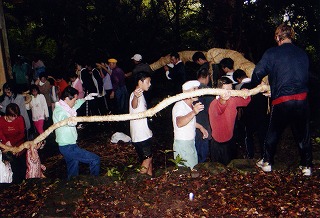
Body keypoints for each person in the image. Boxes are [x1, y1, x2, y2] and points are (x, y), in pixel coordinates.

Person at [251, 23, 312, 176]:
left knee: (273, 132)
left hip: (282, 100)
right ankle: (306, 166)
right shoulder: (302, 54)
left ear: (278, 37)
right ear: (291, 36)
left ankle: (267, 162)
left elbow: (258, 72)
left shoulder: (272, 53)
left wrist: (255, 86)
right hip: (301, 100)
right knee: (303, 134)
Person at [52, 86, 100, 180]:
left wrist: (85, 98)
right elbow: (63, 119)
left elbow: (76, 104)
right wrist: (70, 121)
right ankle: (95, 182)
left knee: (73, 165)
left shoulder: (66, 106)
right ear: (66, 98)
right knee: (95, 159)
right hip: (68, 147)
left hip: (69, 145)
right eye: (74, 99)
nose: (75, 102)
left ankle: (72, 185)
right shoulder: (59, 111)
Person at [208, 77, 251, 165]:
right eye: (226, 90)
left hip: (230, 139)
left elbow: (245, 102)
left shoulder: (232, 100)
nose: (229, 92)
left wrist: (245, 93)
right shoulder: (214, 104)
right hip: (218, 143)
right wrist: (223, 99)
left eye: (231, 89)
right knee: (218, 169)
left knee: (231, 167)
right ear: (219, 90)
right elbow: (220, 107)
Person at [172, 80, 208, 169]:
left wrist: (200, 127)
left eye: (197, 89)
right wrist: (193, 112)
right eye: (194, 89)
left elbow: (190, 121)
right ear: (186, 92)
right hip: (183, 144)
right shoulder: (180, 105)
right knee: (187, 172)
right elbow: (179, 123)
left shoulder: (190, 105)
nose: (197, 91)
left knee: (192, 168)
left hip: (190, 142)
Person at [233, 69, 269, 159]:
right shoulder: (260, 85)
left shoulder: (242, 87)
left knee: (248, 136)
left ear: (238, 79)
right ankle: (265, 156)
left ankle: (250, 156)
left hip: (249, 116)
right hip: (262, 115)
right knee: (263, 136)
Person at [129, 71, 153, 176]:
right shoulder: (136, 94)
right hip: (140, 135)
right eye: (148, 82)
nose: (150, 84)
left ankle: (150, 178)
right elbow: (134, 105)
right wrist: (136, 96)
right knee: (147, 158)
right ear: (140, 82)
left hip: (143, 133)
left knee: (148, 158)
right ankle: (140, 182)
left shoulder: (141, 94)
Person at [0, 103, 27, 183]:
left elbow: (22, 134)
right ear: (7, 115)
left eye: (16, 115)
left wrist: (13, 143)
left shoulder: (20, 118)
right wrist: (7, 144)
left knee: (22, 166)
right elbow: (1, 133)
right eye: (12, 116)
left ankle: (23, 182)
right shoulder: (1, 120)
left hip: (19, 145)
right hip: (7, 147)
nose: (15, 118)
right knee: (13, 168)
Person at [195, 68, 214, 163]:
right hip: (205, 126)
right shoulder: (209, 92)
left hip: (193, 125)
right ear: (207, 77)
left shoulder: (191, 89)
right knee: (202, 154)